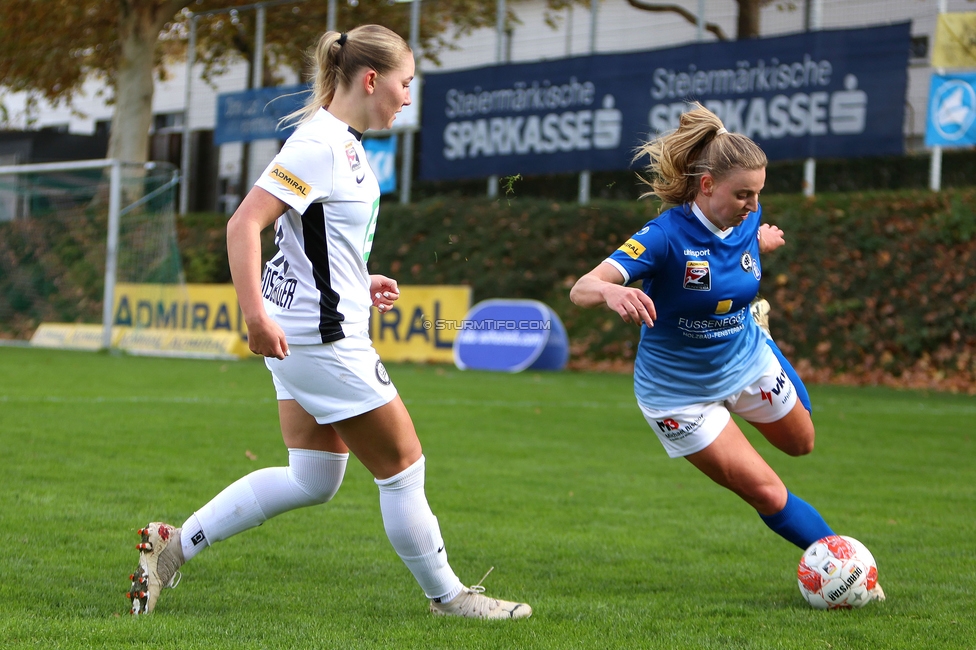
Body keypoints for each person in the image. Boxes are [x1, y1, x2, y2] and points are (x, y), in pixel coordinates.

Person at [127, 25, 531, 620]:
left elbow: (305, 239)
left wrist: (358, 279)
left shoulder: (338, 142)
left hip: (309, 330)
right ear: (371, 80)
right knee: (403, 466)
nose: (407, 97)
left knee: (315, 476)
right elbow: (244, 226)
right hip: (323, 339)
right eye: (405, 83)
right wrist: (253, 316)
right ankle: (450, 600)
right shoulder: (320, 143)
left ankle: (172, 547)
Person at [569, 104, 882, 600]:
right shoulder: (663, 236)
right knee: (764, 490)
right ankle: (846, 573)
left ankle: (765, 337)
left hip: (744, 359)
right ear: (707, 184)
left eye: (758, 194)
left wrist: (759, 241)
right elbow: (582, 288)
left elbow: (736, 249)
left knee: (801, 443)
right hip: (677, 394)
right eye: (742, 194)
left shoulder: (747, 216)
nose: (752, 203)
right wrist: (611, 292)